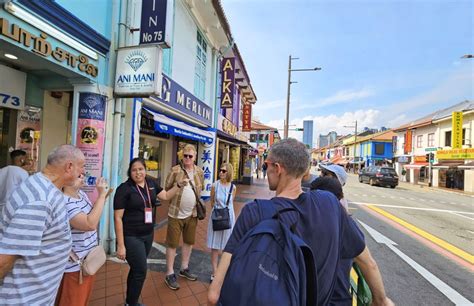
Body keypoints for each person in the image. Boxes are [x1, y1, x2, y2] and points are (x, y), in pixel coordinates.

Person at [208, 139, 393, 306]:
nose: (266, 169)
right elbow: (369, 263)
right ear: (305, 172)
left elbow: (214, 295)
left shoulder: (253, 212)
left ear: (278, 168)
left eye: (267, 165)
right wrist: (381, 300)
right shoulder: (331, 205)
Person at [0, 145, 85, 305]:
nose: (83, 172)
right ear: (69, 167)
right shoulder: (40, 200)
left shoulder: (45, 187)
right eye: (82, 166)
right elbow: (4, 259)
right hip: (22, 300)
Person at [114, 157, 188, 305]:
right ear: (130, 172)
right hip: (131, 236)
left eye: (140, 169)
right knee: (141, 270)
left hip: (148, 234)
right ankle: (133, 303)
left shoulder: (151, 183)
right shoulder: (124, 189)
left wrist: (178, 185)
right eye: (134, 170)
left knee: (136, 270)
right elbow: (117, 218)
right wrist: (121, 245)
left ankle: (130, 301)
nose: (138, 172)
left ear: (145, 170)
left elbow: (166, 196)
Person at [55, 176, 112, 306]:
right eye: (79, 175)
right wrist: (102, 196)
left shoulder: (81, 194)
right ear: (67, 178)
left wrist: (102, 196)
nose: (83, 177)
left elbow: (94, 216)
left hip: (89, 260)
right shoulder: (64, 201)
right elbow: (89, 224)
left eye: (83, 174)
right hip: (75, 265)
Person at [164, 144, 204, 290]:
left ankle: (184, 268)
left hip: (192, 214)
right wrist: (178, 185)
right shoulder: (175, 170)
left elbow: (201, 188)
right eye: (185, 155)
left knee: (188, 241)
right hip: (175, 214)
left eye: (190, 156)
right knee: (172, 244)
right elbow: (166, 188)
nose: (187, 158)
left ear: (194, 157)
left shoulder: (199, 171)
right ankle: (169, 273)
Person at [207, 163, 237, 282]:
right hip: (216, 216)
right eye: (220, 170)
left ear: (228, 173)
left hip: (228, 217)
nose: (221, 172)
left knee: (226, 246)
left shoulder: (233, 188)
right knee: (214, 246)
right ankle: (214, 272)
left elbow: (231, 202)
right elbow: (212, 201)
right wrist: (218, 211)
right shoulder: (215, 185)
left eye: (224, 171)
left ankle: (223, 271)